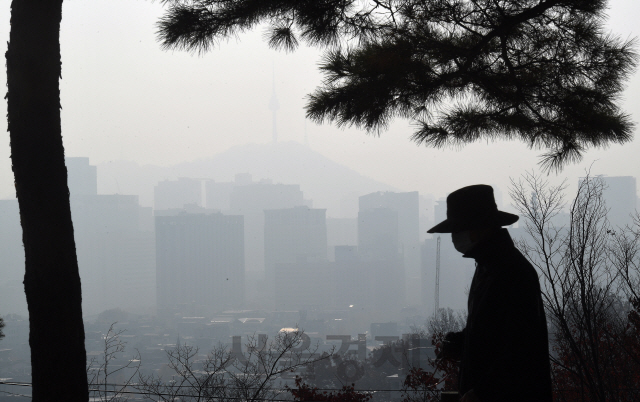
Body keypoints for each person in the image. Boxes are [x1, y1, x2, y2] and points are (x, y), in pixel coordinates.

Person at [428, 185, 553, 402]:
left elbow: (520, 346)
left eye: (459, 229)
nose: (455, 237)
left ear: (479, 228)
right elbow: (492, 329)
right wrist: (460, 342)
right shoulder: (490, 267)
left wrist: (483, 391)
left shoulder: (510, 271)